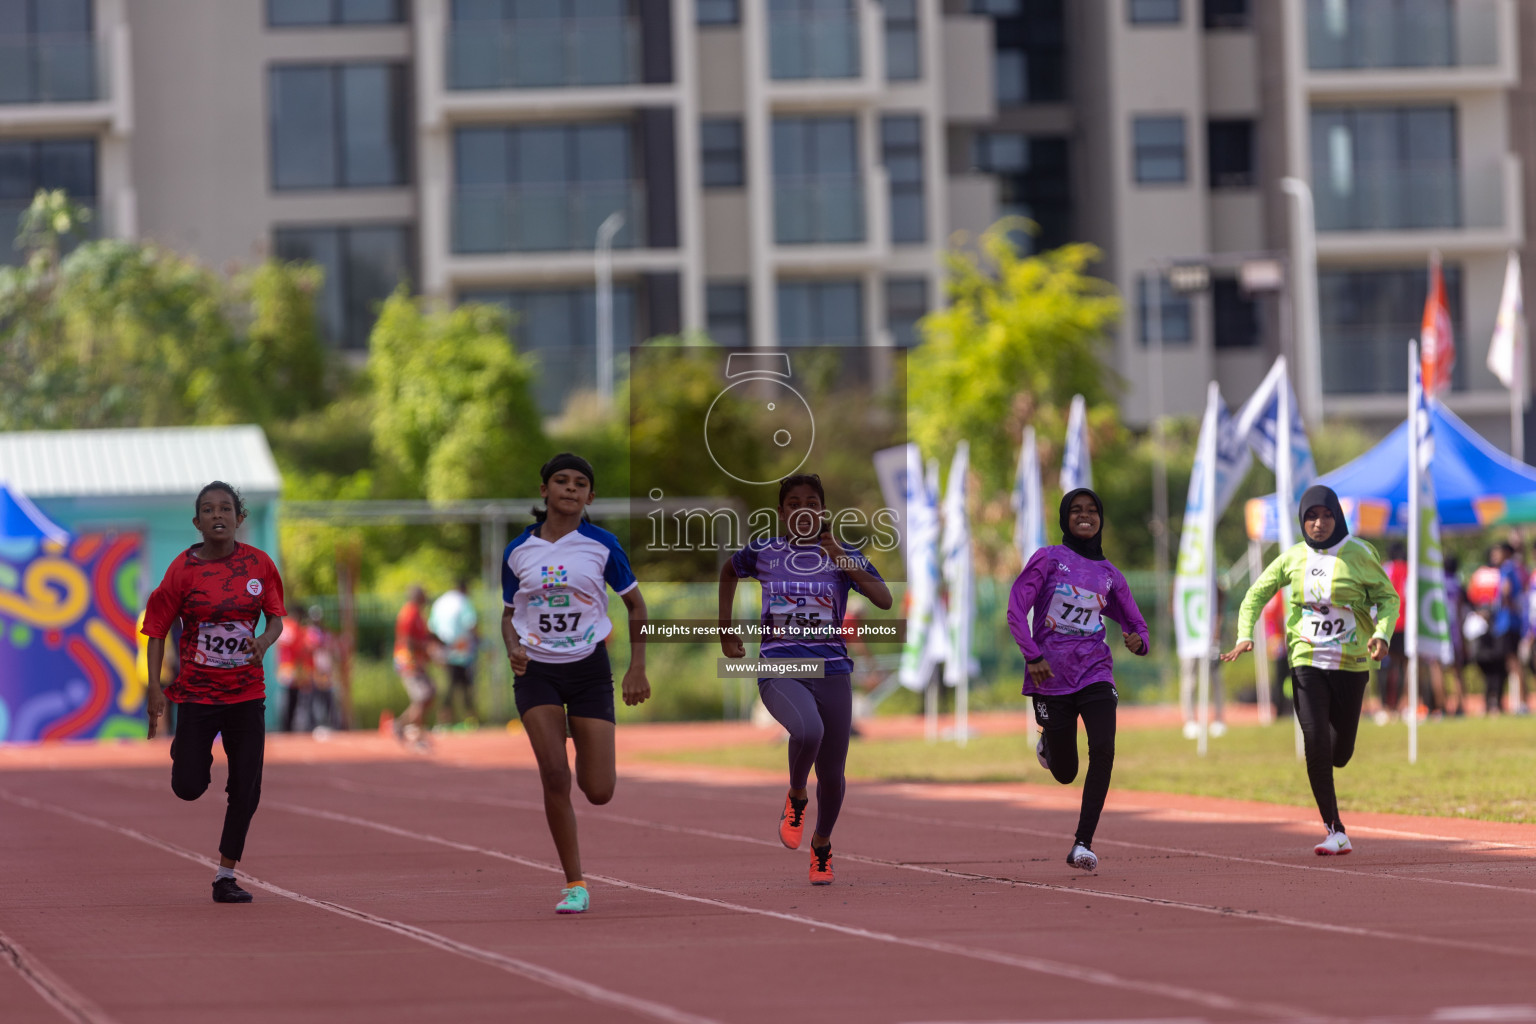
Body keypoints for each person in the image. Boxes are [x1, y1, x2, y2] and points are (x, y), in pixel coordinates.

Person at [718, 473, 891, 886]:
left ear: (823, 511)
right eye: (793, 504)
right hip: (780, 667)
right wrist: (725, 629)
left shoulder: (843, 554)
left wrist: (841, 558)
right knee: (807, 730)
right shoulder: (763, 552)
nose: (803, 510)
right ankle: (797, 794)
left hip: (832, 671)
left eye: (811, 503)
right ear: (782, 513)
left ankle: (822, 846)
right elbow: (727, 572)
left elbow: (883, 598)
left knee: (833, 775)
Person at [502, 453, 649, 915]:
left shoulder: (603, 545)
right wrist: (514, 647)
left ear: (590, 496)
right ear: (544, 490)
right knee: (553, 775)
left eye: (580, 483)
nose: (570, 488)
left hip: (588, 669)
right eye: (560, 481)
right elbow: (509, 616)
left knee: (599, 789)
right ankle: (575, 883)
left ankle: (580, 732)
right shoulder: (517, 551)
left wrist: (636, 668)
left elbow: (637, 607)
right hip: (537, 673)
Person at [1224, 484, 1397, 856]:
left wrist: (1382, 634)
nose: (1318, 524)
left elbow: (1388, 597)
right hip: (1305, 659)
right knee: (1315, 740)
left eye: (1326, 515)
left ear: (1338, 517)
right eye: (1310, 516)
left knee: (1340, 752)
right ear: (1302, 521)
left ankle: (1333, 781)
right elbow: (1255, 594)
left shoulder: (1360, 554)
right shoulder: (1292, 558)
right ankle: (1335, 829)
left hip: (1351, 662)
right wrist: (1244, 634)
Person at [142, 482, 286, 903]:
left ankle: (225, 875)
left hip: (245, 694)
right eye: (208, 510)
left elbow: (276, 618)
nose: (217, 516)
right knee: (187, 786)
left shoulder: (259, 566)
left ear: (240, 519)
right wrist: (155, 687)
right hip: (198, 696)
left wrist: (263, 641)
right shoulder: (182, 570)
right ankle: (189, 755)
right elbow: (155, 631)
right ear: (197, 521)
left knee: (247, 787)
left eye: (226, 509)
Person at [1007, 488, 1150, 873]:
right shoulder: (1049, 559)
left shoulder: (1110, 575)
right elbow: (1016, 608)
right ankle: (1049, 742)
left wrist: (1140, 642)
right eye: (1076, 510)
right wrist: (1032, 654)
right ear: (1064, 518)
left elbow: (1136, 623)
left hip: (1095, 672)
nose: (1085, 516)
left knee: (1103, 748)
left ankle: (1082, 843)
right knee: (1066, 772)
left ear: (1101, 518)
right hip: (1050, 675)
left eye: (1091, 510)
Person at [430, 577, 481, 727]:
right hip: (463, 651)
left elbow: (432, 628)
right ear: (464, 589)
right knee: (466, 686)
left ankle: (444, 720)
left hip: (445, 650)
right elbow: (471, 624)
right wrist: (482, 643)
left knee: (449, 686)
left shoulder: (440, 602)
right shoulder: (463, 601)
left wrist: (436, 650)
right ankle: (470, 719)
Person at [393, 585, 439, 750]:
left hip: (416, 660)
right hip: (408, 660)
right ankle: (419, 737)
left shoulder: (419, 614)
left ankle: (400, 724)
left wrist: (436, 640)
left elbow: (424, 635)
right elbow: (407, 641)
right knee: (422, 697)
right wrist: (426, 647)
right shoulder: (409, 614)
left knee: (429, 695)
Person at [276, 609, 312, 732]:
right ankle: (289, 727)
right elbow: (300, 649)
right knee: (293, 698)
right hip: (292, 667)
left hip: (283, 666)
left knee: (286, 698)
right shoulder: (295, 628)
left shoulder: (283, 625)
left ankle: (285, 726)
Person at [306, 605, 338, 733]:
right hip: (314, 669)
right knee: (313, 697)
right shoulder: (309, 633)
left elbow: (331, 648)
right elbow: (309, 648)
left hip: (325, 669)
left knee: (327, 698)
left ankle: (328, 723)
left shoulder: (325, 633)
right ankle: (313, 725)